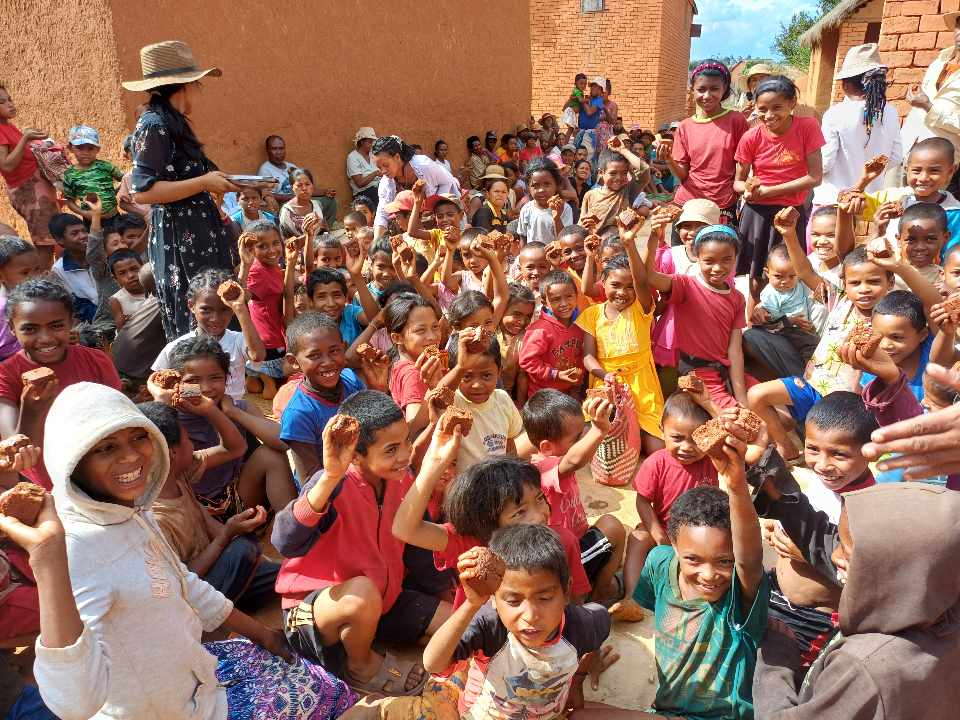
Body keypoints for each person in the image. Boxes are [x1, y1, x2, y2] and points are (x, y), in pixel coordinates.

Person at [3, 382, 355, 720]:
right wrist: (48, 561)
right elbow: (75, 703)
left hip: (193, 679)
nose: (130, 456)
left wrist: (263, 634)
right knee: (325, 697)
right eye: (105, 448)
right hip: (162, 710)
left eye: (138, 437)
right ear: (73, 460)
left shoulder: (129, 510)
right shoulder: (75, 547)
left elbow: (184, 584)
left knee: (316, 679)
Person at [273, 391, 450, 696]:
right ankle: (360, 664)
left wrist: (446, 593)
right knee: (362, 593)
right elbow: (284, 541)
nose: (405, 455)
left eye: (407, 442)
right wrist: (329, 477)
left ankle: (364, 639)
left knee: (457, 622)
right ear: (356, 454)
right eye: (391, 449)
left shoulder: (402, 481)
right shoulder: (333, 484)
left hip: (382, 602)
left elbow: (418, 550)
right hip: (315, 612)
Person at [752, 482, 960, 719]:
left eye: (848, 552)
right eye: (839, 543)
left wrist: (776, 660)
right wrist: (768, 476)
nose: (834, 555)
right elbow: (822, 540)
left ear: (890, 567)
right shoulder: (943, 605)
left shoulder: (863, 666)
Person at [632, 413, 769, 720]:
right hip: (667, 711)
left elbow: (749, 556)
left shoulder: (740, 593)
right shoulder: (658, 563)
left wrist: (736, 483)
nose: (709, 575)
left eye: (724, 561)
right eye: (693, 559)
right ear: (674, 545)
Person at [421, 524, 612, 719]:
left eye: (544, 598)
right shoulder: (489, 627)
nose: (530, 616)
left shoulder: (580, 626)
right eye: (513, 601)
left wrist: (578, 681)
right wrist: (471, 604)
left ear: (566, 592)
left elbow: (601, 622)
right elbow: (433, 663)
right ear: (493, 599)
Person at [123, 40, 241, 340]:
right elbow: (143, 191)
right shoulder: (154, 124)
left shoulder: (173, 122)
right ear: (186, 85)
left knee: (218, 304)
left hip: (198, 232)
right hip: (180, 238)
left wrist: (213, 180)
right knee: (196, 312)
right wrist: (203, 183)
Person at [139, 400, 279, 610]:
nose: (194, 445)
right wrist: (227, 537)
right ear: (171, 453)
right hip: (195, 595)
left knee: (281, 574)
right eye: (188, 439)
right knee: (243, 549)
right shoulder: (154, 517)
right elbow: (183, 580)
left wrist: (209, 410)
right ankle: (222, 619)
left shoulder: (177, 475)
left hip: (219, 571)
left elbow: (235, 447)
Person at [0, 277, 122, 489]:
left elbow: (119, 417)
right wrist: (31, 409)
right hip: (50, 480)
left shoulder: (96, 360)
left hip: (101, 471)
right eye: (30, 329)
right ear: (12, 328)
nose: (45, 338)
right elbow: (17, 447)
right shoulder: (7, 374)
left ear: (71, 322)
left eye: (56, 326)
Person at [523, 391, 625, 603]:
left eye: (584, 430)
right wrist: (599, 430)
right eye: (577, 438)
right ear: (546, 447)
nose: (585, 438)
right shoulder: (542, 467)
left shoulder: (551, 458)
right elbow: (574, 461)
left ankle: (593, 592)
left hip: (578, 544)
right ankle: (596, 598)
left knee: (609, 524)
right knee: (613, 528)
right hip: (564, 558)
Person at [734, 76, 825, 298]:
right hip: (757, 215)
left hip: (791, 214)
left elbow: (815, 177)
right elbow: (737, 182)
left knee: (791, 273)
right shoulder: (751, 137)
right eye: (762, 109)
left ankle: (784, 321)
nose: (769, 115)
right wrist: (747, 189)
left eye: (777, 107)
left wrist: (770, 191)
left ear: (792, 103)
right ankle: (755, 323)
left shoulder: (807, 127)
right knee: (756, 277)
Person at [642, 225, 751, 409]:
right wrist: (653, 238)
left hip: (723, 370)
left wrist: (742, 398)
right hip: (697, 370)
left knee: (777, 413)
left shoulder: (737, 298)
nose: (718, 268)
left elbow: (735, 351)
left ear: (735, 258)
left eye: (727, 260)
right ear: (697, 258)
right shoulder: (685, 285)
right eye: (709, 261)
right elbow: (647, 276)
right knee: (732, 419)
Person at [579, 224, 665, 456]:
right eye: (615, 285)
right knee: (594, 440)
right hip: (605, 383)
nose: (622, 292)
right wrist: (603, 375)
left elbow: (642, 280)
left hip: (641, 384)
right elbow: (588, 356)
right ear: (603, 284)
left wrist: (630, 245)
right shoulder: (592, 314)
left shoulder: (641, 307)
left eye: (629, 287)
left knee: (655, 448)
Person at [152, 268, 265, 404]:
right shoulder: (176, 347)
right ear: (191, 306)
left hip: (232, 409)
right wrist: (198, 397)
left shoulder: (237, 340)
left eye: (225, 309)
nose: (215, 318)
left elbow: (257, 355)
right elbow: (157, 383)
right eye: (206, 310)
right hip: (192, 411)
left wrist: (240, 307)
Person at [279, 312, 367, 482]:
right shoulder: (298, 414)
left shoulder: (351, 380)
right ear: (294, 361)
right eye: (314, 355)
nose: (327, 362)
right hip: (327, 488)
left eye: (334, 351)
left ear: (344, 347)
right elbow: (309, 479)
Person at [813, 44, 902, 211]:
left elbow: (825, 162)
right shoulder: (890, 113)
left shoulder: (835, 114)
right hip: (869, 201)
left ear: (845, 85)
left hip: (833, 201)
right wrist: (869, 175)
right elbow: (896, 157)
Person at [667, 60, 749, 222]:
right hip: (689, 203)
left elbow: (744, 163)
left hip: (722, 204)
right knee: (683, 248)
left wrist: (738, 190)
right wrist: (668, 159)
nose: (707, 95)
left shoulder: (736, 121)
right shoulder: (685, 126)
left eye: (714, 89)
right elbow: (683, 174)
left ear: (724, 89)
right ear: (692, 90)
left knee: (720, 247)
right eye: (701, 89)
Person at [0, 82, 58, 266]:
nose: (10, 104)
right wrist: (26, 138)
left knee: (51, 239)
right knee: (45, 243)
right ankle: (38, 283)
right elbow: (7, 166)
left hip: (37, 187)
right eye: (2, 102)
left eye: (9, 99)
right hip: (28, 191)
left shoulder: (8, 126)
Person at [238, 222, 297, 399]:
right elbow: (241, 296)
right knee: (276, 380)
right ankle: (265, 380)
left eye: (275, 243)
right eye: (262, 246)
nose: (272, 250)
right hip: (266, 335)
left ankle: (256, 379)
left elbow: (286, 292)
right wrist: (244, 266)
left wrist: (291, 264)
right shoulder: (256, 270)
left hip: (273, 326)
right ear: (250, 249)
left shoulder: (273, 266)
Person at [902, 10, 960, 171]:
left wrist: (929, 107)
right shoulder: (940, 61)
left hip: (939, 164)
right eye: (959, 26)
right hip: (908, 147)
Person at [372, 135, 460, 240]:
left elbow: (447, 181)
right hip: (420, 219)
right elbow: (382, 213)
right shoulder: (386, 182)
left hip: (447, 202)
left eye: (386, 165)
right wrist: (376, 243)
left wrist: (436, 208)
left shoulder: (423, 165)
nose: (383, 171)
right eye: (379, 167)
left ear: (397, 157)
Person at [519, 271, 584, 400]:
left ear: (577, 296)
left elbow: (582, 356)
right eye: (556, 299)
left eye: (569, 296)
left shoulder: (581, 325)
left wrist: (577, 385)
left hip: (570, 393)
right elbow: (527, 361)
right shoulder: (540, 330)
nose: (564, 303)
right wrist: (555, 374)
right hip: (544, 395)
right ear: (544, 301)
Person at [106, 248, 166, 386]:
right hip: (131, 358)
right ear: (115, 279)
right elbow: (121, 327)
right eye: (123, 273)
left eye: (134, 269)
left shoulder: (153, 294)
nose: (131, 275)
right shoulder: (117, 299)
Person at [61, 125, 123, 221]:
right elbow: (69, 201)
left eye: (90, 148)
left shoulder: (105, 166)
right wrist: (84, 213)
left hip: (114, 218)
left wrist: (115, 193)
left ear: (97, 149)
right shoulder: (70, 175)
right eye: (80, 148)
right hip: (90, 221)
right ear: (70, 148)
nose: (85, 152)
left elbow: (125, 180)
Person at [48, 213, 97, 323]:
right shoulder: (59, 271)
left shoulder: (101, 256)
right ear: (60, 240)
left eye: (84, 231)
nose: (83, 236)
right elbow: (72, 308)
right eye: (75, 233)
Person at [0, 234, 41, 361]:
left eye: (37, 269)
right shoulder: (4, 308)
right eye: (25, 273)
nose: (34, 277)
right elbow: (4, 350)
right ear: (1, 276)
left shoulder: (42, 296)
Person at [516, 157, 573, 245]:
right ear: (528, 187)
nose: (541, 190)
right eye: (535, 185)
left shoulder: (565, 208)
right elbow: (523, 238)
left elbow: (565, 240)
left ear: (556, 184)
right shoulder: (527, 209)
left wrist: (557, 218)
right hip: (533, 257)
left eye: (547, 184)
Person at [346, 127, 381, 208]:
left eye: (373, 142)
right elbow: (359, 183)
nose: (372, 144)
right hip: (363, 193)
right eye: (369, 142)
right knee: (379, 194)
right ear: (362, 142)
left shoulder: (372, 155)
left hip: (377, 188)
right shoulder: (352, 157)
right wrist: (375, 173)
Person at [470, 165, 510, 232]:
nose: (500, 194)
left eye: (503, 192)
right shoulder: (478, 200)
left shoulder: (503, 212)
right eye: (491, 180)